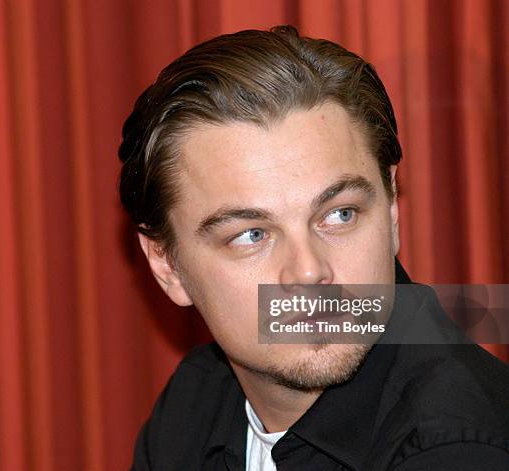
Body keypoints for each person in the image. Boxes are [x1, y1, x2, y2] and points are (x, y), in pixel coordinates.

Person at [118, 25, 509, 470]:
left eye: (339, 214)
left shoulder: (458, 448)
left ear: (392, 210)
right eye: (251, 235)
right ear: (167, 266)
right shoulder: (196, 401)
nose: (308, 271)